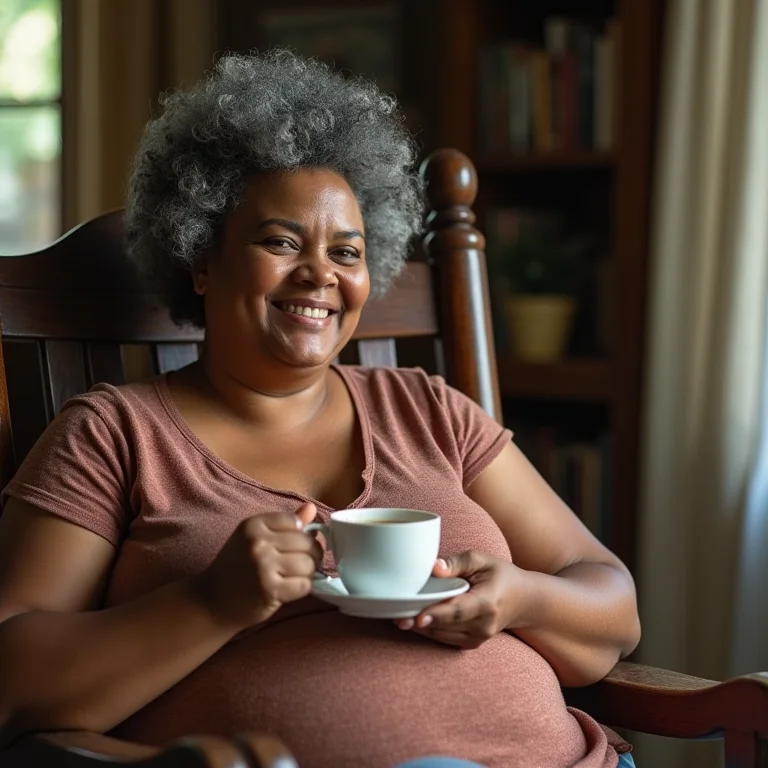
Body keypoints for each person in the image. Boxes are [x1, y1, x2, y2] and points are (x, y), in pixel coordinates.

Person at [0, 50, 639, 768]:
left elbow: (612, 608)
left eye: (348, 250)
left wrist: (519, 599)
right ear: (201, 260)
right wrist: (212, 603)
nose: (321, 276)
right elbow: (14, 684)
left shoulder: (430, 409)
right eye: (280, 241)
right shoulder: (114, 436)